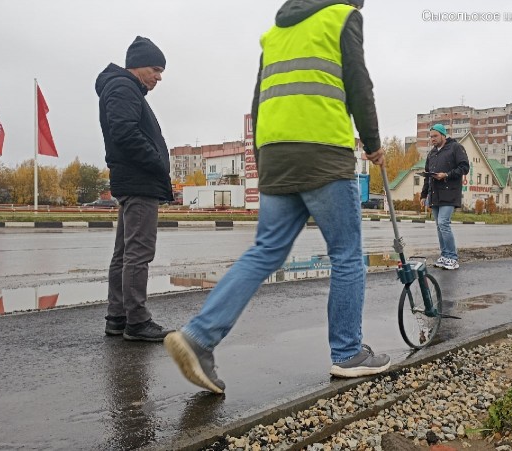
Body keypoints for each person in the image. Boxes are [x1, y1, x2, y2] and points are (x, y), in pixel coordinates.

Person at [164, 0, 389, 394]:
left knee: (265, 250)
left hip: (274, 153)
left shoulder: (275, 32)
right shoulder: (343, 17)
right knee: (347, 254)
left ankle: (199, 337)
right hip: (322, 150)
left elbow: (258, 100)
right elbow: (358, 82)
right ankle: (348, 352)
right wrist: (372, 143)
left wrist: (260, 158)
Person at [96, 36, 175, 341]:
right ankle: (137, 321)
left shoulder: (122, 87)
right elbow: (125, 131)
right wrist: (156, 161)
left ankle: (118, 317)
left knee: (125, 252)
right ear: (138, 66)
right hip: (139, 181)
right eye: (155, 69)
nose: (158, 77)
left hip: (133, 179)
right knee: (138, 253)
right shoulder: (123, 87)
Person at [420, 124, 470, 270]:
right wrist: (424, 195)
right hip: (435, 194)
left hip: (450, 192)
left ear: (443, 135)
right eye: (430, 136)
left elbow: (465, 167)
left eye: (435, 136)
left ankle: (452, 258)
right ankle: (445, 255)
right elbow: (427, 177)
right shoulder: (432, 154)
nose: (432, 139)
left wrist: (446, 175)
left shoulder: (455, 148)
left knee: (443, 223)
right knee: (439, 226)